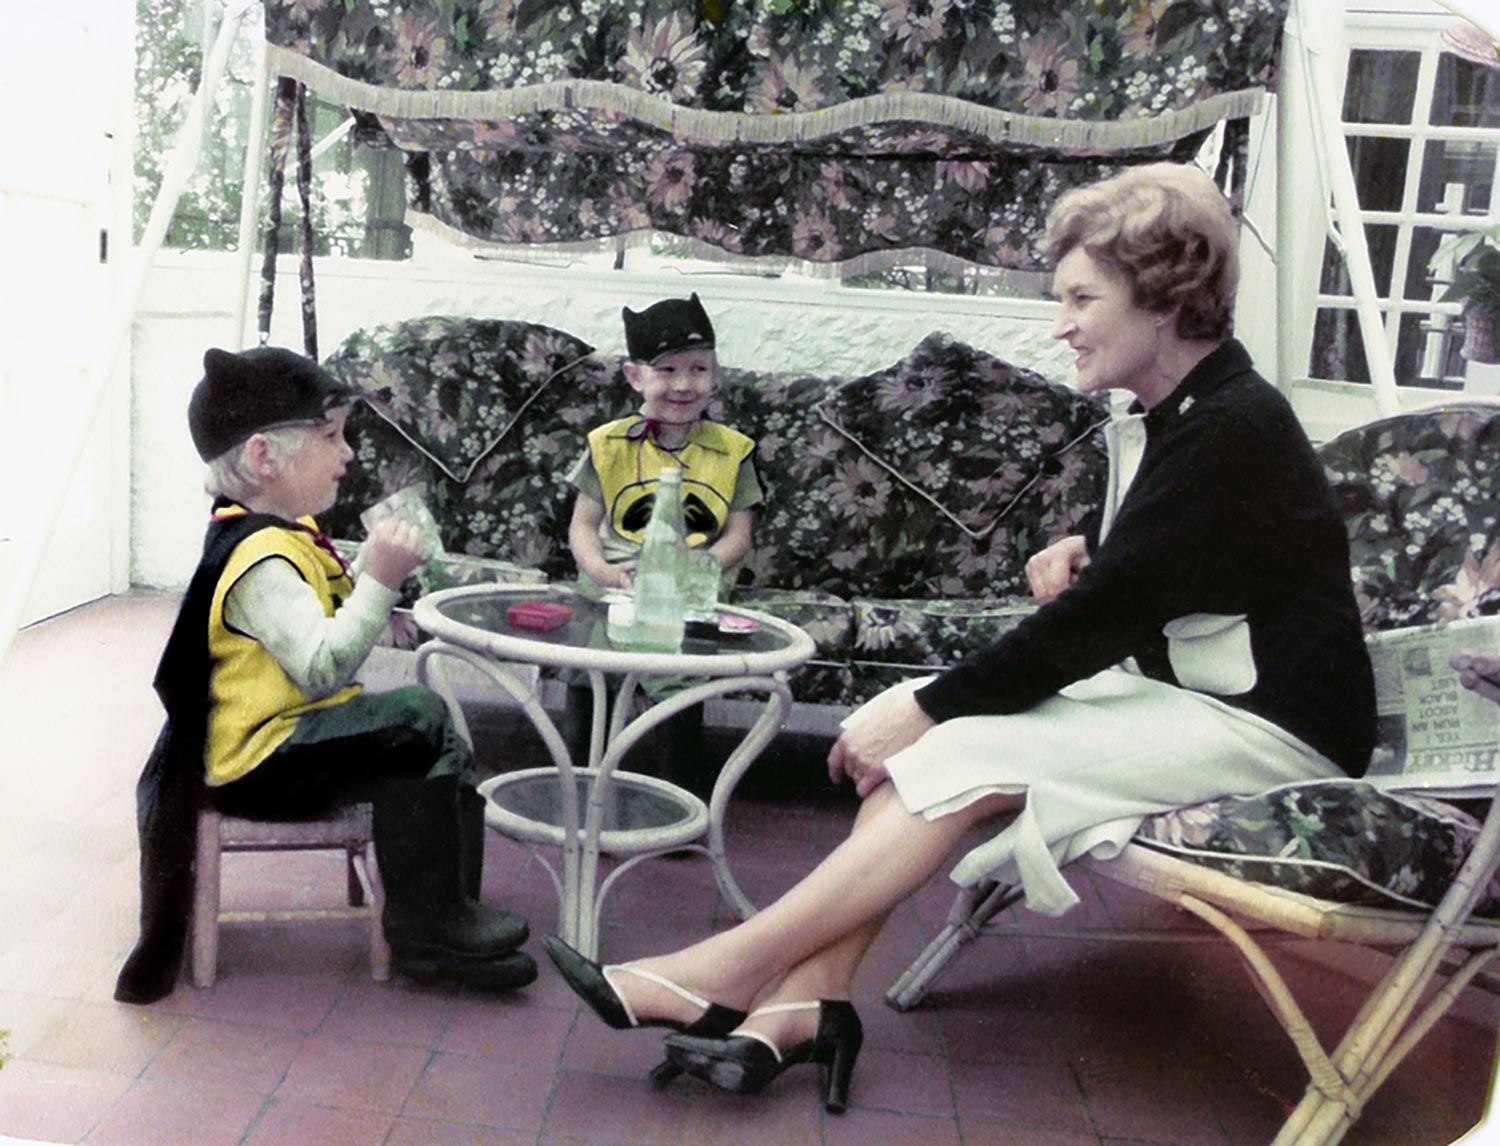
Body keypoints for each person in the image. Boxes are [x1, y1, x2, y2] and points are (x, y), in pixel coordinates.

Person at [542, 162, 1378, 1111]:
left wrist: (920, 701)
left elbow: (1091, 629)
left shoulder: (1233, 427)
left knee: (953, 736)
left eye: (1080, 298)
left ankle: (720, 971)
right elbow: (1185, 553)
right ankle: (804, 1008)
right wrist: (1089, 546)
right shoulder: (1191, 414)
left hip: (1275, 725)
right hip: (1203, 694)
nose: (1059, 322)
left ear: (1165, 298)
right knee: (937, 745)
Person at [115, 346, 536, 1004]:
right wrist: (380, 581)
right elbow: (319, 668)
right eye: (331, 437)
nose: (348, 454)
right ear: (263, 458)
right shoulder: (260, 560)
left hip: (290, 742)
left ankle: (443, 916)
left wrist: (367, 579)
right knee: (420, 719)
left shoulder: (285, 535)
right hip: (262, 763)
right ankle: (430, 923)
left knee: (434, 736)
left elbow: (325, 624)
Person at [564, 293, 763, 793]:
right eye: (667, 370)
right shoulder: (607, 444)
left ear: (714, 376)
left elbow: (740, 533)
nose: (683, 383)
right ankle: (582, 787)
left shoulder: (732, 451)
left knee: (681, 677)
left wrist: (703, 564)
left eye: (698, 369)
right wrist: (602, 571)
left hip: (691, 587)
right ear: (636, 377)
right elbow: (583, 525)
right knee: (590, 668)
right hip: (617, 583)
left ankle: (677, 795)